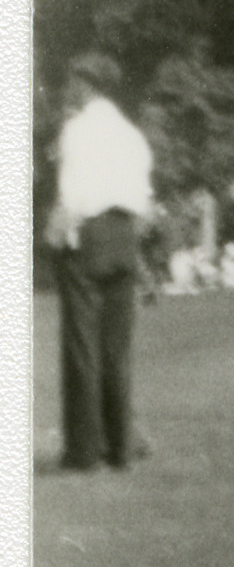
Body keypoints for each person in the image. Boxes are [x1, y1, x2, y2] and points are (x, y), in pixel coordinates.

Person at [47, 57, 154, 472]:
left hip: (88, 236)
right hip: (124, 235)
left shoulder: (76, 129)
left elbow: (71, 196)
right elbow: (144, 199)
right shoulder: (132, 134)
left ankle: (83, 451)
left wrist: (55, 240)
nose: (69, 87)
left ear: (87, 84)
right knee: (116, 349)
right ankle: (120, 448)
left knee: (82, 347)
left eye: (74, 79)